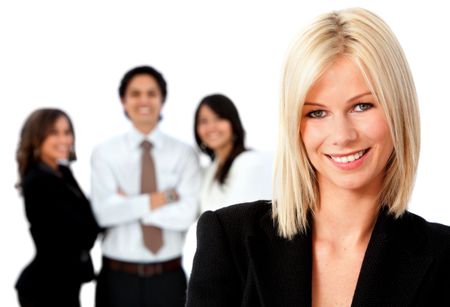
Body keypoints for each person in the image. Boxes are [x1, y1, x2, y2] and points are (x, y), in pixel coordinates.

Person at [186, 8, 450, 306]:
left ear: (398, 108)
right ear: (294, 125)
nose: (342, 135)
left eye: (362, 106)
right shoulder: (229, 239)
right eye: (317, 112)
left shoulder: (444, 257)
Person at [91, 65, 202, 307]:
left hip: (169, 280)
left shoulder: (184, 154)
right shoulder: (104, 153)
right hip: (117, 280)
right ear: (123, 100)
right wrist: (163, 198)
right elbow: (104, 213)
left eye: (151, 93)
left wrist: (128, 205)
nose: (144, 100)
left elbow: (187, 214)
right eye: (135, 93)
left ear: (162, 100)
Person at [15, 108, 99, 307]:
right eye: (54, 133)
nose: (64, 139)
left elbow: (88, 226)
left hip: (66, 285)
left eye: (67, 132)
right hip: (45, 289)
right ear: (37, 137)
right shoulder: (38, 181)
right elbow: (80, 234)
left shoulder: (62, 172)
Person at [182, 94, 272, 276]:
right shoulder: (210, 171)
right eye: (204, 121)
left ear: (233, 123)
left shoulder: (250, 163)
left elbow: (238, 226)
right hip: (217, 268)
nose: (211, 127)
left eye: (219, 118)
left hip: (243, 271)